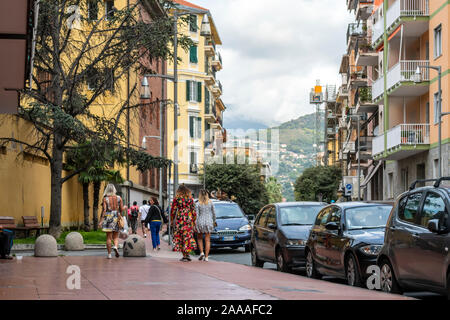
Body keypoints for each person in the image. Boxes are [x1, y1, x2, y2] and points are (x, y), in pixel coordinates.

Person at [170, 184, 197, 262]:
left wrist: (172, 220)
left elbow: (173, 210)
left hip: (180, 218)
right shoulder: (190, 198)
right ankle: (187, 254)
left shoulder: (177, 198)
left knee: (181, 236)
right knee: (188, 236)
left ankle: (184, 255)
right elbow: (193, 210)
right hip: (189, 218)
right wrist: (194, 220)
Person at [98, 183, 124, 259]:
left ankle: (109, 255)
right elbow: (121, 209)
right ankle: (115, 246)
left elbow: (104, 210)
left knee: (108, 237)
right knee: (115, 236)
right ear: (114, 189)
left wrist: (101, 221)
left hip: (108, 217)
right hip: (116, 216)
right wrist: (124, 208)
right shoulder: (119, 198)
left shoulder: (105, 198)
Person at [195, 189, 216, 262]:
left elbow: (197, 215)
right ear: (207, 195)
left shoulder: (197, 204)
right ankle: (206, 257)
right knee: (207, 240)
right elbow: (214, 214)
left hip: (200, 222)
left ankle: (201, 252)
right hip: (209, 222)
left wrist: (195, 224)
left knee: (199, 238)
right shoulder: (211, 203)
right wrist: (214, 221)